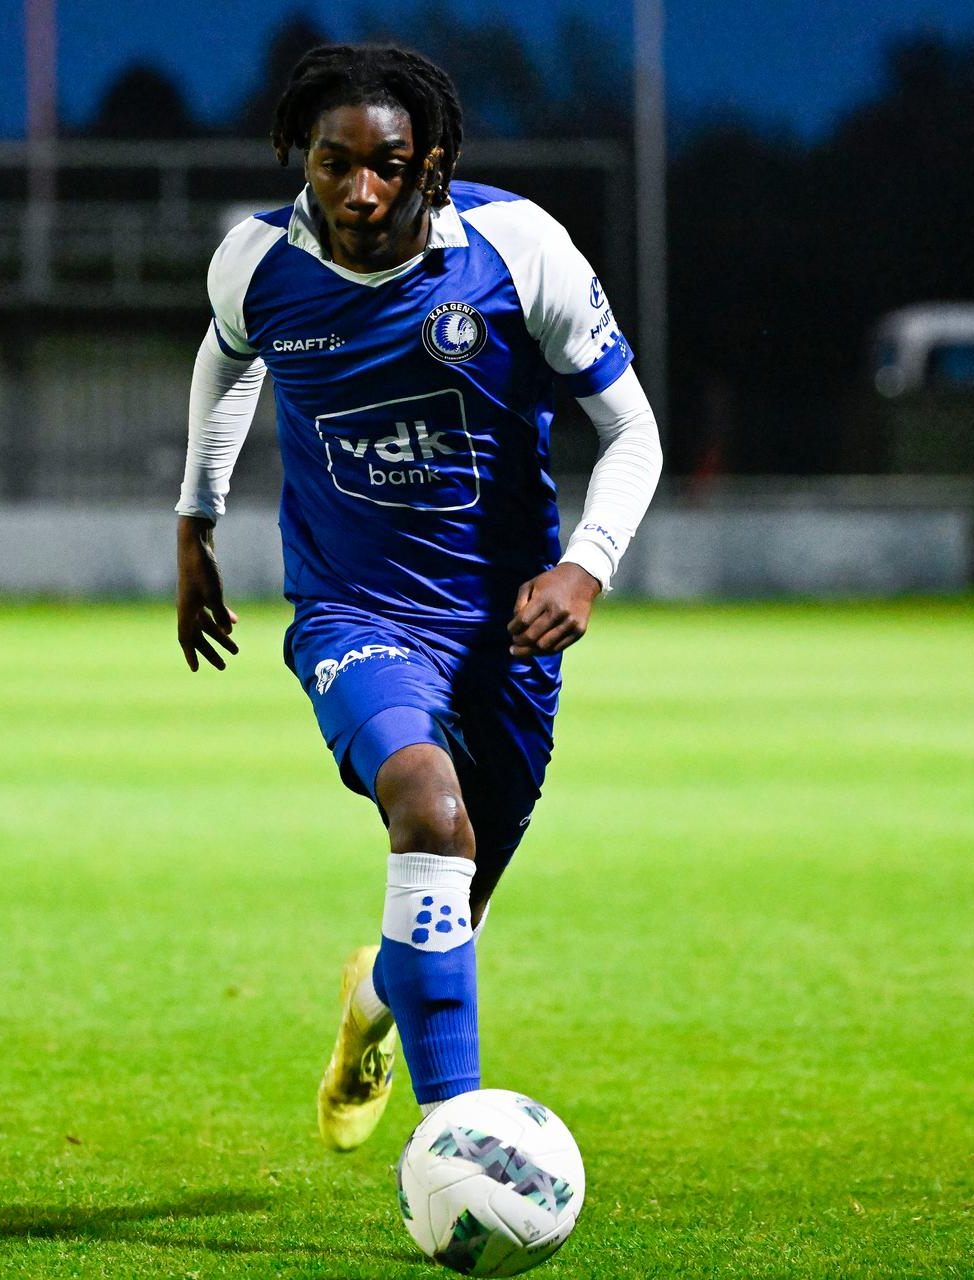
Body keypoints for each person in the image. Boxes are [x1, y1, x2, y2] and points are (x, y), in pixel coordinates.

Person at [174, 43, 662, 1151]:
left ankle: (370, 1005)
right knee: (430, 812)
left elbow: (631, 431)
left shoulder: (515, 248)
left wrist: (586, 563)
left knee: (450, 908)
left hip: (506, 632)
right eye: (330, 163)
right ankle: (459, 1143)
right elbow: (225, 358)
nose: (356, 191)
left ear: (429, 164)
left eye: (384, 166)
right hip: (355, 612)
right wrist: (195, 523)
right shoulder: (258, 262)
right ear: (302, 157)